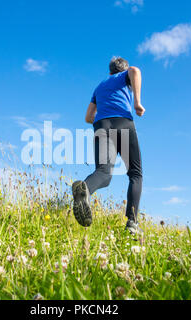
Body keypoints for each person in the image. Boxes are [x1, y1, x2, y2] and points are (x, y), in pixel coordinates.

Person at [72, 57, 145, 235]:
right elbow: (135, 70)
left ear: (110, 70)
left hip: (101, 126)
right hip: (123, 123)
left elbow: (88, 117)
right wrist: (137, 102)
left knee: (104, 173)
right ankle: (132, 223)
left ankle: (86, 190)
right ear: (122, 70)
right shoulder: (123, 77)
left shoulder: (99, 87)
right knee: (135, 173)